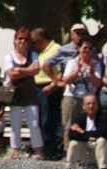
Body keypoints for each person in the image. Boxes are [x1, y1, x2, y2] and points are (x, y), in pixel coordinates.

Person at [4, 27, 44, 160]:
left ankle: (38, 151)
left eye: (25, 39)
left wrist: (19, 70)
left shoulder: (32, 55)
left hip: (30, 94)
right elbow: (11, 74)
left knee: (34, 123)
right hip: (16, 94)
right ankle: (15, 150)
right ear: (15, 40)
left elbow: (36, 70)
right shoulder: (9, 56)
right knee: (15, 124)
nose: (22, 41)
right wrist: (27, 70)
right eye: (20, 38)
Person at [61, 36, 103, 151]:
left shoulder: (95, 64)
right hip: (72, 96)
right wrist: (77, 70)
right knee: (69, 124)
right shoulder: (72, 63)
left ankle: (84, 151)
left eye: (90, 48)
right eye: (85, 48)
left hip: (88, 98)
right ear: (79, 48)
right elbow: (65, 80)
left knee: (86, 123)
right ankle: (68, 151)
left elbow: (98, 84)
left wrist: (92, 72)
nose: (87, 51)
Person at [65, 94, 107, 169]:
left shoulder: (104, 115)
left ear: (98, 105)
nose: (91, 106)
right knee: (74, 143)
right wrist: (88, 137)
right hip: (86, 153)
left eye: (94, 103)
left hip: (101, 152)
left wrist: (81, 131)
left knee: (102, 141)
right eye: (88, 103)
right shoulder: (79, 117)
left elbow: (102, 132)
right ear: (83, 106)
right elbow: (71, 134)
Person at [31, 28, 63, 159]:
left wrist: (52, 85)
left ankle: (49, 152)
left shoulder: (56, 49)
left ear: (41, 40)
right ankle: (44, 150)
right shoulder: (42, 51)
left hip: (49, 89)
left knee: (48, 121)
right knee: (40, 121)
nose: (34, 46)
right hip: (39, 89)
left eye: (35, 42)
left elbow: (62, 71)